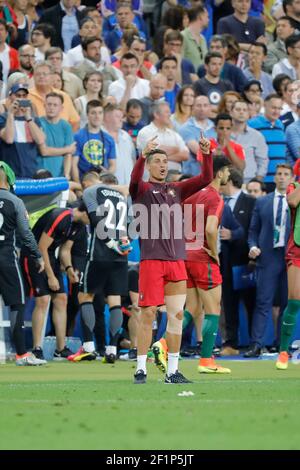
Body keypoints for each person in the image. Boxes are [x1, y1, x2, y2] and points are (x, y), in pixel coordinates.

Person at [129, 135, 213, 384]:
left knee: (176, 315)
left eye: (165, 161)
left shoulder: (177, 190)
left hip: (177, 261)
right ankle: (140, 368)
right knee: (148, 314)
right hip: (152, 261)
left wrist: (206, 154)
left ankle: (172, 371)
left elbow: (206, 179)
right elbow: (134, 179)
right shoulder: (142, 189)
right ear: (150, 165)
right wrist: (141, 156)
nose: (163, 165)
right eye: (157, 161)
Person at [68, 173, 133, 364]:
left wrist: (110, 243)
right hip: (121, 257)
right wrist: (122, 244)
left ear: (89, 182)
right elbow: (130, 226)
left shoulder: (91, 191)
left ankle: (88, 348)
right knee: (114, 301)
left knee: (84, 296)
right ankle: (112, 350)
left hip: (100, 252)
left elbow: (96, 222)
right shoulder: (122, 196)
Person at [183, 155, 232, 373]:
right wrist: (213, 252)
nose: (229, 175)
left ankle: (162, 345)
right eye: (227, 171)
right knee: (213, 310)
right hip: (203, 259)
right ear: (219, 172)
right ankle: (206, 361)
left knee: (191, 308)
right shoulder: (215, 198)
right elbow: (211, 229)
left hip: (185, 256)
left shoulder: (193, 195)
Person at [20, 203, 87, 361]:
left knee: (62, 299)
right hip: (33, 254)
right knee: (43, 300)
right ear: (85, 213)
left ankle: (61, 348)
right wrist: (50, 276)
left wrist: (69, 269)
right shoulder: (60, 217)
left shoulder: (79, 225)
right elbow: (41, 247)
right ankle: (37, 348)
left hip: (50, 256)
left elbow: (64, 250)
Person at [0, 161, 46, 366]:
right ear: (9, 180)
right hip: (6, 259)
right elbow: (25, 234)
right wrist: (37, 256)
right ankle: (21, 354)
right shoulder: (15, 201)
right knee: (16, 304)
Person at [246, 164, 293, 357]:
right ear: (274, 178)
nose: (281, 177)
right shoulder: (263, 202)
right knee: (263, 302)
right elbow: (253, 230)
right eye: (279, 174)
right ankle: (256, 344)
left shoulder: (295, 200)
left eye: (285, 175)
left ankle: (283, 346)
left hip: (290, 255)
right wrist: (252, 246)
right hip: (269, 255)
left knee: (286, 303)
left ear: (292, 178)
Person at [276, 170, 300, 369]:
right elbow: (292, 203)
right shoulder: (294, 187)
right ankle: (283, 351)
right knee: (294, 301)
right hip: (297, 250)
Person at [0, 83, 45, 179]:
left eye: (24, 96)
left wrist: (28, 117)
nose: (21, 98)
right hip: (10, 174)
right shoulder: (3, 118)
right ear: (10, 97)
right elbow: (9, 139)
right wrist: (11, 114)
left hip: (31, 172)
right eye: (18, 95)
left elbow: (40, 140)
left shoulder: (34, 119)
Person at [248, 93, 287, 192]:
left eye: (279, 108)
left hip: (280, 179)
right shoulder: (252, 124)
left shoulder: (280, 125)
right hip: (262, 179)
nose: (276, 111)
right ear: (265, 105)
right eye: (273, 107)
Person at [72, 100, 116, 181]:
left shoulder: (109, 139)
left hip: (101, 182)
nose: (97, 116)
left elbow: (113, 165)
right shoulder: (77, 136)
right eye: (93, 113)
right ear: (87, 115)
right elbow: (73, 164)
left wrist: (107, 175)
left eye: (100, 113)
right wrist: (78, 186)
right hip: (83, 181)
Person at [38, 92, 75, 179]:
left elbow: (68, 154)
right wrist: (66, 149)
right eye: (49, 104)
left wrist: (66, 174)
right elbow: (44, 151)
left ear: (61, 108)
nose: (51, 108)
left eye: (55, 105)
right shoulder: (38, 123)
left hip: (59, 175)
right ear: (44, 105)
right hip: (41, 174)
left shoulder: (66, 126)